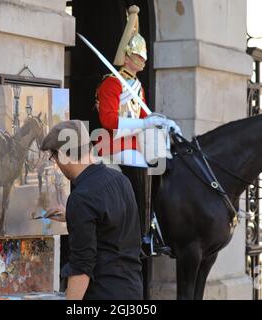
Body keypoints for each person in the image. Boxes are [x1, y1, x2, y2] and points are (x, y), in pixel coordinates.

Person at [95, 5, 181, 255]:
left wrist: (162, 122)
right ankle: (138, 230)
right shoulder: (111, 83)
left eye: (143, 57)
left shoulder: (136, 85)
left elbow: (144, 116)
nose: (143, 61)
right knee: (142, 167)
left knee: (163, 163)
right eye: (138, 56)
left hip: (135, 141)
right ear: (128, 56)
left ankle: (153, 226)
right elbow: (109, 120)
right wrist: (144, 124)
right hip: (114, 142)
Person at [40, 120, 143, 300]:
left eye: (54, 158)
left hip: (103, 293)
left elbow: (81, 267)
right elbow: (112, 223)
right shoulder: (120, 180)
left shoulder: (82, 198)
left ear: (63, 155)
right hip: (132, 289)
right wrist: (71, 215)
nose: (56, 164)